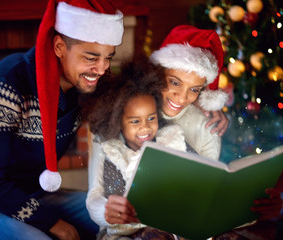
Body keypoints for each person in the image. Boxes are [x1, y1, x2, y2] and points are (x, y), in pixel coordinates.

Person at [0, 0, 124, 239]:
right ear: (60, 46)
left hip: (34, 192)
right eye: (91, 58)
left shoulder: (89, 83)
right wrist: (52, 223)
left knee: (117, 224)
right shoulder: (6, 82)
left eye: (108, 57)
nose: (102, 69)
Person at [84, 59, 188, 239]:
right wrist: (105, 211)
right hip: (121, 233)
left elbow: (197, 177)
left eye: (151, 118)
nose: (145, 128)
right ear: (117, 122)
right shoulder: (107, 148)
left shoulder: (172, 140)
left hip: (164, 229)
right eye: (134, 121)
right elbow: (93, 196)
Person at [149, 25, 229, 160]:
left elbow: (208, 178)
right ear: (158, 73)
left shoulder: (206, 129)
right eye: (175, 83)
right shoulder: (132, 108)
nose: (181, 98)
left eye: (194, 89)